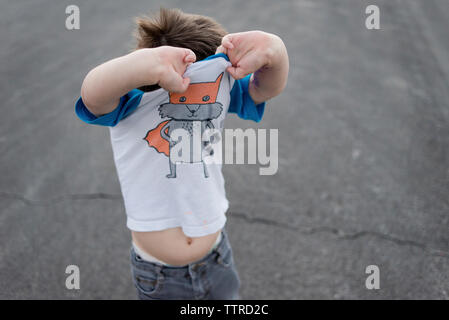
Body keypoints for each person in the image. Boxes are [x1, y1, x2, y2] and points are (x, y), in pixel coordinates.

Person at [75, 8, 288, 300]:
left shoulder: (221, 91)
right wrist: (145, 64)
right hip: (160, 275)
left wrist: (275, 50)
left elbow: (265, 89)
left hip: (217, 256)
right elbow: (92, 94)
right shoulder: (131, 103)